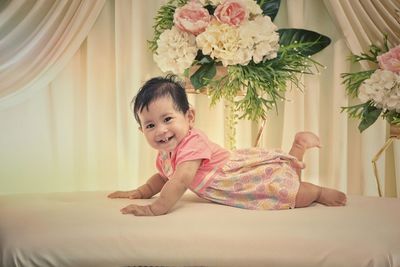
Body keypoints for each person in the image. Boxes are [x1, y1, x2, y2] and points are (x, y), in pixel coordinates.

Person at [108, 75, 346, 216]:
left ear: (189, 117)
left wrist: (155, 208)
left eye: (167, 119)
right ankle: (298, 146)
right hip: (230, 179)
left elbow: (179, 180)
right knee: (282, 179)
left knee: (287, 192)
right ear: (142, 131)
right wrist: (140, 193)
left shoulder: (192, 143)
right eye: (150, 125)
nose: (160, 130)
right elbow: (162, 178)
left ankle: (318, 191)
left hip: (238, 177)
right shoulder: (165, 155)